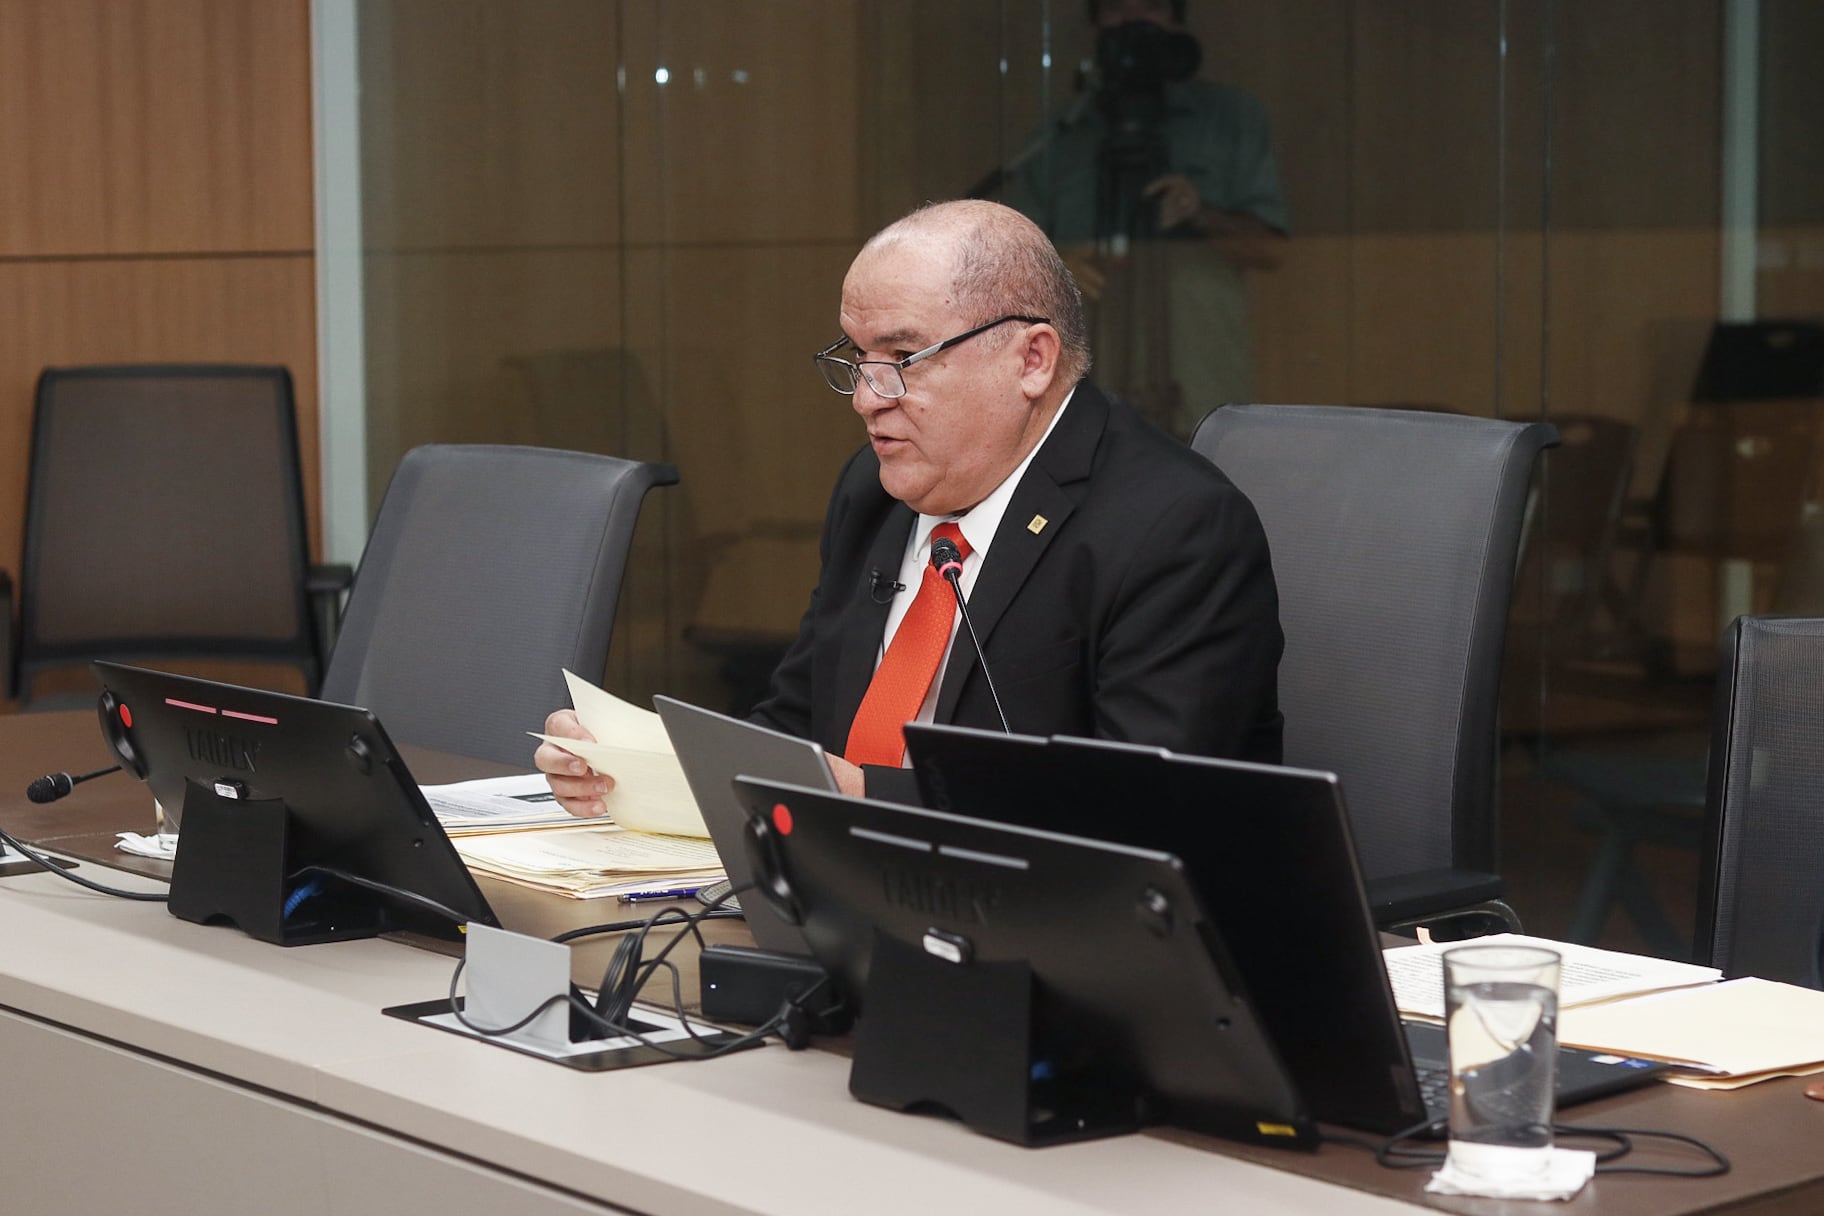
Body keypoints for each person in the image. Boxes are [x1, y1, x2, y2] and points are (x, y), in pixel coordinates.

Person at [537, 199, 1281, 816]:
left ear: (1032, 359)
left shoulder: (1171, 528)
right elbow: (800, 722)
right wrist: (642, 769)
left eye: (903, 359)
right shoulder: (876, 490)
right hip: (843, 908)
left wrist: (861, 798)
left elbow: (1138, 813)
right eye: (857, 359)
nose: (867, 398)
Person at [1000, 0, 1288, 440]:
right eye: (1117, 9)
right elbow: (1006, 267)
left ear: (1177, 20)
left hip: (1200, 373)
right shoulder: (1061, 131)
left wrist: (1200, 213)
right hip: (1088, 371)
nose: (1134, 22)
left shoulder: (1230, 119)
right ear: (1095, 24)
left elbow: (1270, 250)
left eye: (1150, 7)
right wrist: (1056, 270)